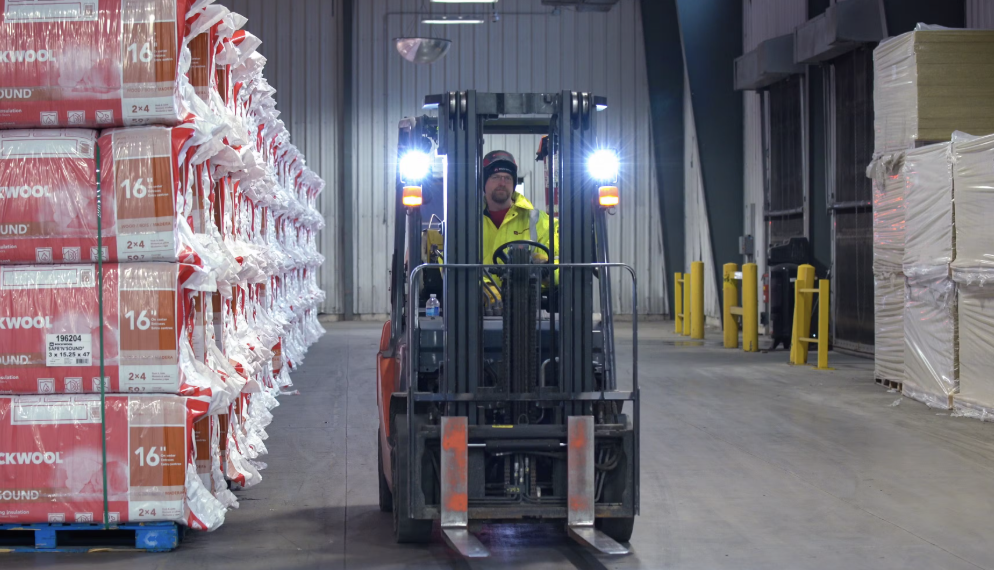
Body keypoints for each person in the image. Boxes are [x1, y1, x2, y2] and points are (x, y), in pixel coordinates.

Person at [481, 150, 555, 266]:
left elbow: (560, 261)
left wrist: (544, 268)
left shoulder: (540, 221)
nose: (502, 183)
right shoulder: (468, 222)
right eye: (495, 177)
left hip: (527, 279)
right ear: (483, 182)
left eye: (508, 178)